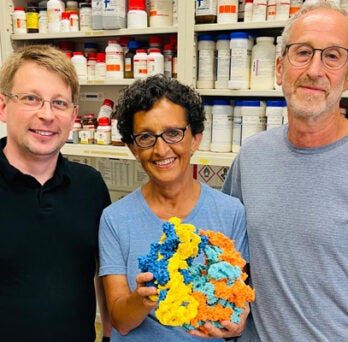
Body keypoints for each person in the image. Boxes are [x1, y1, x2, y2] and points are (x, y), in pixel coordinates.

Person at [222, 2, 348, 341]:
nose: (315, 70)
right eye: (303, 52)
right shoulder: (251, 157)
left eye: (333, 56)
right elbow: (230, 257)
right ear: (280, 68)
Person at [98, 74, 250, 341]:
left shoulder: (231, 212)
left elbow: (237, 297)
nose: (161, 149)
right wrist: (142, 297)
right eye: (146, 137)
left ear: (195, 138)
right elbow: (120, 322)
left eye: (172, 133)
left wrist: (238, 319)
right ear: (133, 148)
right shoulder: (115, 219)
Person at [0, 45, 111, 341]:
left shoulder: (91, 187)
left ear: (74, 115)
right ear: (3, 106)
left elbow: (106, 275)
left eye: (59, 103)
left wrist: (110, 337)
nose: (46, 114)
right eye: (31, 98)